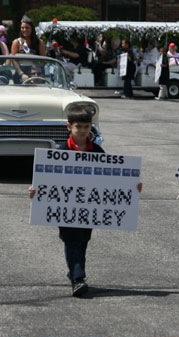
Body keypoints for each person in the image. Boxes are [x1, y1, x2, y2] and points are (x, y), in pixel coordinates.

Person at [27, 104, 142, 297]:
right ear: (69, 127)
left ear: (91, 127)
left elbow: (112, 179)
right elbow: (46, 179)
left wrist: (132, 186)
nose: (82, 131)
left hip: (89, 208)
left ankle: (74, 270)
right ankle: (78, 278)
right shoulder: (60, 152)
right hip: (64, 207)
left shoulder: (97, 151)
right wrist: (35, 191)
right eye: (78, 126)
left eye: (86, 127)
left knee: (83, 240)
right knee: (71, 239)